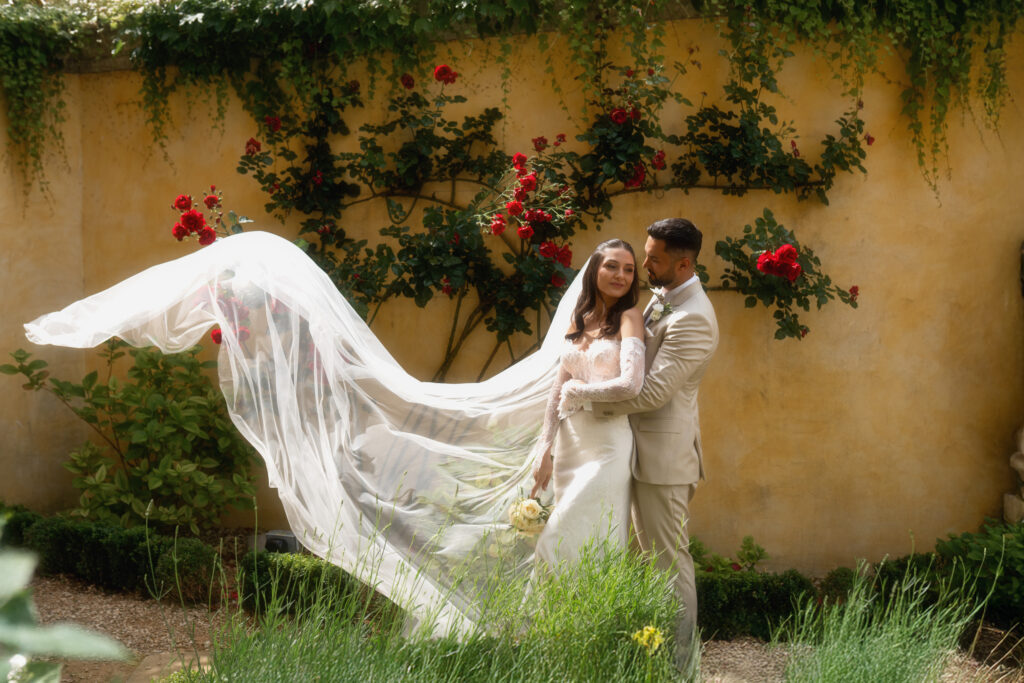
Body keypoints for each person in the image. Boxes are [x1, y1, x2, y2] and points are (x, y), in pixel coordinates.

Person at [591, 218, 719, 667]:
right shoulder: (663, 297)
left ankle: (680, 667)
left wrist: (585, 403)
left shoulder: (693, 318)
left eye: (653, 259)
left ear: (683, 264)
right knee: (647, 562)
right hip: (638, 449)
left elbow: (651, 394)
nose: (643, 265)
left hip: (664, 459)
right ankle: (653, 658)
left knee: (668, 562)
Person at [528, 238, 644, 566]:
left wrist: (580, 393)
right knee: (572, 537)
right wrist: (545, 448)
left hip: (607, 444)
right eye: (612, 266)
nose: (621, 275)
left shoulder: (630, 317)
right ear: (594, 270)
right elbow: (557, 390)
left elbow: (631, 385)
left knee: (567, 537)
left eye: (629, 270)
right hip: (570, 445)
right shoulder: (579, 319)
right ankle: (566, 602)